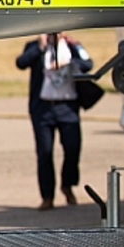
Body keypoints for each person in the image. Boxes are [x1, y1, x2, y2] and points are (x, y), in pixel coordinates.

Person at [15, 32, 93, 211]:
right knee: (44, 152)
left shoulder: (73, 46)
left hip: (67, 107)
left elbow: (88, 63)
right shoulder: (34, 46)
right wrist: (40, 48)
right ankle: (47, 196)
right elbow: (21, 63)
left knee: (72, 148)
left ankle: (68, 184)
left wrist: (69, 63)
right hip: (43, 109)